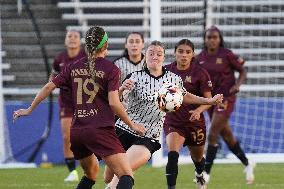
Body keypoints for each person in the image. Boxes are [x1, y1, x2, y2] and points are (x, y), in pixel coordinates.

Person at [13, 26, 146, 189]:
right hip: (100, 130)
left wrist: (29, 109)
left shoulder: (73, 66)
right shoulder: (111, 69)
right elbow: (113, 102)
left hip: (77, 132)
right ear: (105, 45)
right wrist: (132, 125)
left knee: (90, 175)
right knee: (126, 176)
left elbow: (48, 87)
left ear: (86, 46)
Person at [104, 40, 223, 189]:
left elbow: (185, 96)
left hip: (148, 135)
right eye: (151, 53)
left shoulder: (173, 79)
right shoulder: (134, 77)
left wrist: (209, 101)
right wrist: (121, 89)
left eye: (159, 54)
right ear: (145, 56)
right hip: (123, 130)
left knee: (123, 173)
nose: (155, 56)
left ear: (164, 57)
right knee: (108, 176)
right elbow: (116, 102)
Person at [196, 25, 255, 186]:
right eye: (209, 37)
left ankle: (205, 174)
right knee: (227, 135)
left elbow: (243, 70)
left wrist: (238, 85)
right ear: (205, 40)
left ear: (220, 39)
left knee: (213, 133)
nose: (212, 40)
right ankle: (248, 164)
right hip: (210, 101)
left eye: (215, 37)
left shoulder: (227, 54)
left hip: (226, 98)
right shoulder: (199, 57)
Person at [164, 39, 213, 189]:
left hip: (194, 123)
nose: (184, 55)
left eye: (187, 52)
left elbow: (208, 99)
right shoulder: (165, 71)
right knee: (173, 155)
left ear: (193, 54)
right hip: (173, 122)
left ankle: (199, 174)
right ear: (174, 53)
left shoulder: (200, 73)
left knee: (198, 158)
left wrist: (198, 110)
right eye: (180, 51)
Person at [50, 30, 87, 182]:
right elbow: (52, 79)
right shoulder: (59, 58)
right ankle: (72, 171)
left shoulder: (87, 56)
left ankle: (90, 167)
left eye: (75, 36)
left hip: (86, 103)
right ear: (65, 40)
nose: (72, 39)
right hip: (66, 103)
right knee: (67, 137)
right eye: (69, 36)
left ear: (81, 40)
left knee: (86, 137)